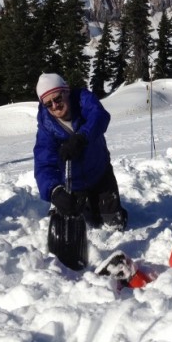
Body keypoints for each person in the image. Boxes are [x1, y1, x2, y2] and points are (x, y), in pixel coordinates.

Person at [34, 73, 127, 230]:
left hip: (99, 173)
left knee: (115, 223)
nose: (55, 106)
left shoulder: (84, 101)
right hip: (73, 184)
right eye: (49, 104)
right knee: (77, 219)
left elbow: (99, 116)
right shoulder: (46, 129)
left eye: (57, 99)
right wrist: (55, 191)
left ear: (66, 91)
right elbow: (44, 164)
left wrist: (81, 137)